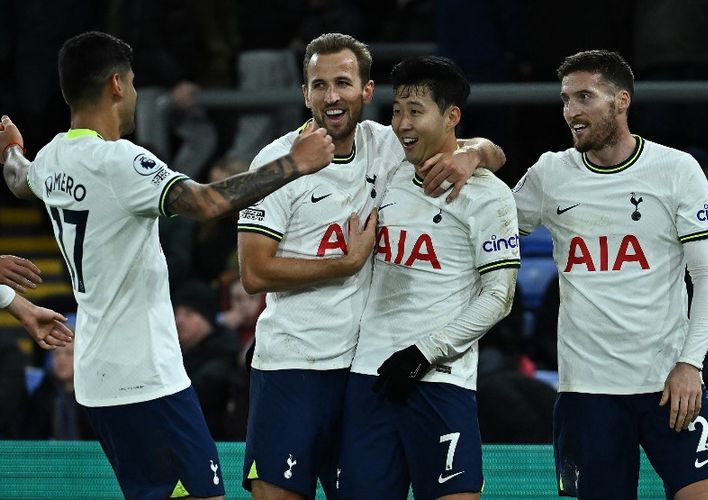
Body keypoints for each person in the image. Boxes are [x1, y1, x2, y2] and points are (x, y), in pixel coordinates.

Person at [0, 30, 333, 500]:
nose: (135, 94)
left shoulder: (53, 157)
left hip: (98, 377)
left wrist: (11, 150)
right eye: (133, 83)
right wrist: (292, 164)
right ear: (116, 85)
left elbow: (18, 178)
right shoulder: (119, 161)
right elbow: (205, 201)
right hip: (144, 377)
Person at [237, 33, 505, 499]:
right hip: (294, 364)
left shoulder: (386, 146)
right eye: (318, 85)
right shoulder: (278, 162)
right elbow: (254, 273)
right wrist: (347, 262)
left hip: (362, 372)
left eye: (342, 82)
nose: (330, 96)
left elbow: (478, 146)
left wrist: (474, 153)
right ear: (305, 94)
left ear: (365, 90)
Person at [512, 49, 708, 499]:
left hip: (670, 380)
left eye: (584, 97)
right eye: (566, 100)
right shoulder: (551, 173)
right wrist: (478, 152)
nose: (571, 111)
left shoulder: (676, 170)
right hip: (587, 391)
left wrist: (691, 363)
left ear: (621, 101)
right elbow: (489, 224)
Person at [337, 55, 520, 499]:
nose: (402, 123)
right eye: (397, 111)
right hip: (369, 376)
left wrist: (425, 352)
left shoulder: (488, 195)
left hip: (441, 380)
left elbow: (499, 297)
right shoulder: (387, 173)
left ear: (451, 116)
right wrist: (478, 149)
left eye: (415, 111)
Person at [173, 280, 240, 441]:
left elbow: (204, 386)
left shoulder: (225, 351)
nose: (179, 320)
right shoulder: (173, 352)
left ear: (207, 318)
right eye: (177, 313)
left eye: (189, 313)